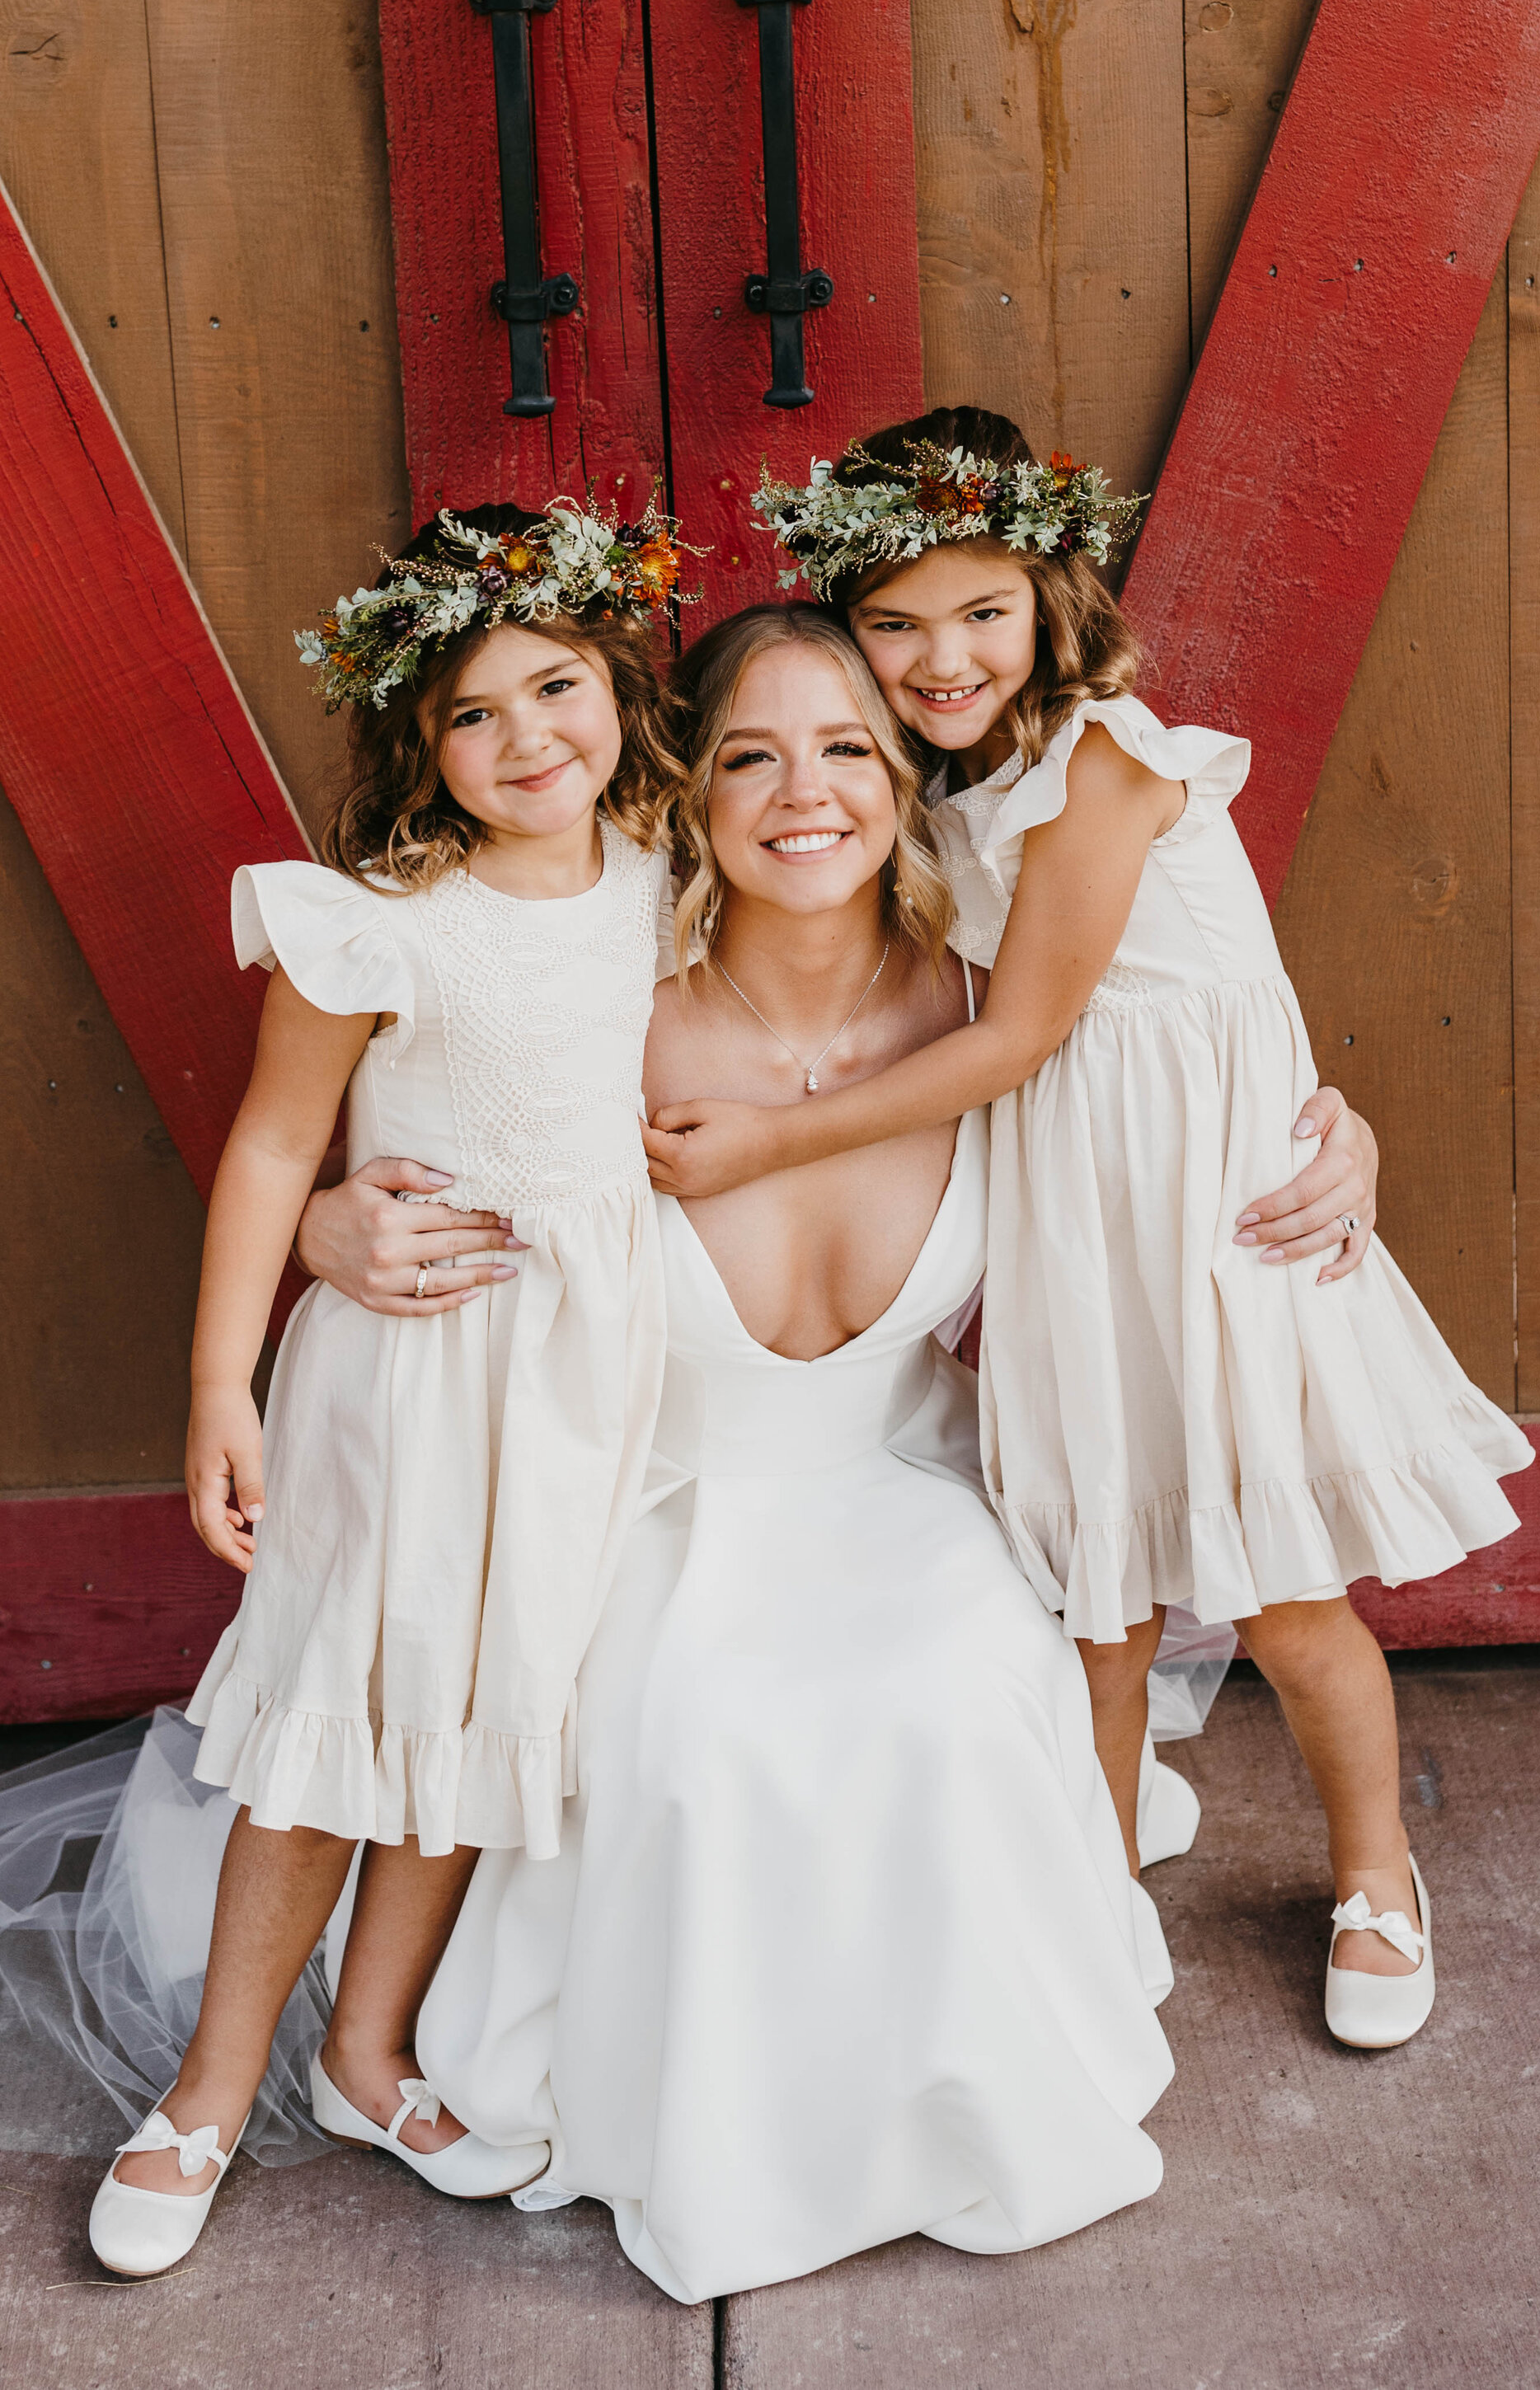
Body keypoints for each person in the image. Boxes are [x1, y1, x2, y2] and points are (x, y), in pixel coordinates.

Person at [641, 411, 1535, 2053]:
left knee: (1280, 1598)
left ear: (1053, 594)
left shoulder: (1106, 760)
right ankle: (1090, 1882)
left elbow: (1030, 1031)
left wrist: (769, 1135)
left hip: (1204, 1221)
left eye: (980, 611)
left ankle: (1375, 1869)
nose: (937, 655)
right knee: (1092, 1601)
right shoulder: (920, 781)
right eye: (893, 625)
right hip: (1073, 1224)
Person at [393, 603, 1178, 2303]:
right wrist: (325, 1229)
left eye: (845, 748)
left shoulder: (995, 996)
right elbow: (376, 1144)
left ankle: (962, 2103)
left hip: (901, 1484)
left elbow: (1214, 1078)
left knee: (963, 1697)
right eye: (747, 752)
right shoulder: (599, 1012)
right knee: (702, 1733)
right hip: (651, 1506)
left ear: (905, 780)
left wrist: (1337, 1142)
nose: (800, 790)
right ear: (684, 790)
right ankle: (721, 2135)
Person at [88, 496, 690, 2275]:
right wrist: (220, 1384)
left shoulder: (661, 875)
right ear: (417, 746)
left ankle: (369, 2050)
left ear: (618, 685)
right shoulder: (375, 924)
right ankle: (209, 2089)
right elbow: (276, 1149)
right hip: (414, 1367)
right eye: (475, 715)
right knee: (343, 1719)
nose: (528, 741)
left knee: (481, 1710)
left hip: (584, 1367)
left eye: (557, 687)